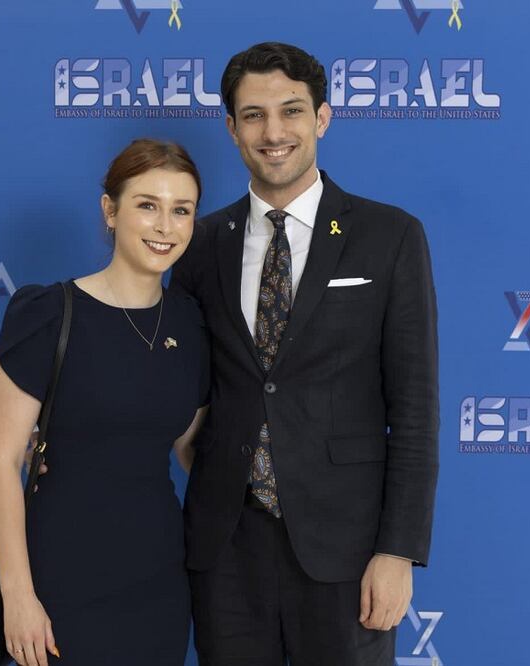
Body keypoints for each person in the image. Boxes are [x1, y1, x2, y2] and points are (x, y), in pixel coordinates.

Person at [172, 42, 439, 665]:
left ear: (322, 118)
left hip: (348, 553)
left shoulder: (390, 236)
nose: (274, 133)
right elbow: (176, 385)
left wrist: (398, 551)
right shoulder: (199, 243)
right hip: (225, 551)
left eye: (291, 111)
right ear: (232, 128)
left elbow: (416, 408)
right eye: (254, 115)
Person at [0, 139, 209, 666]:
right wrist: (19, 596)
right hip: (62, 579)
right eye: (147, 205)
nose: (165, 226)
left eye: (181, 210)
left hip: (159, 580)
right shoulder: (48, 313)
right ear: (110, 210)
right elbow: (0, 461)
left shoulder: (191, 322)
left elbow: (190, 447)